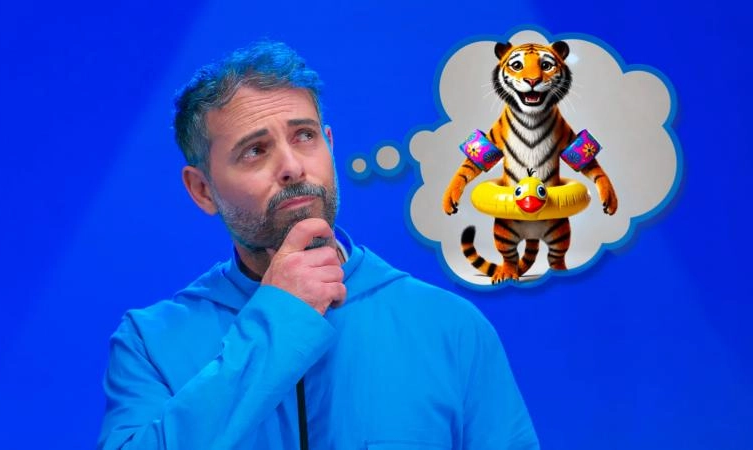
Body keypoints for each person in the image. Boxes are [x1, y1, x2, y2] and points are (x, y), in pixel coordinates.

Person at [97, 40, 539, 450]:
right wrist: (282, 315)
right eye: (255, 150)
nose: (291, 166)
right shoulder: (149, 343)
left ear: (329, 144)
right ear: (202, 190)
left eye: (304, 136)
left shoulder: (451, 326)